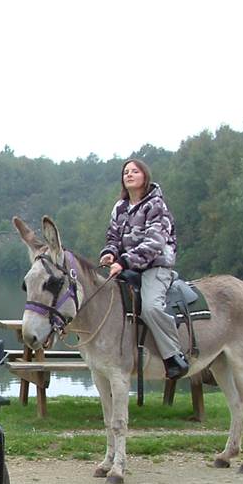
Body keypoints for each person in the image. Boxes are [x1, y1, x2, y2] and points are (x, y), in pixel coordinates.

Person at [99, 158, 189, 379]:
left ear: (144, 176)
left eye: (134, 171)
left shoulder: (156, 205)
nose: (129, 174)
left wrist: (124, 261)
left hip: (156, 266)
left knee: (150, 307)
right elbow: (113, 237)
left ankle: (173, 356)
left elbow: (154, 243)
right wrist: (109, 253)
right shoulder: (119, 207)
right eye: (126, 172)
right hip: (127, 266)